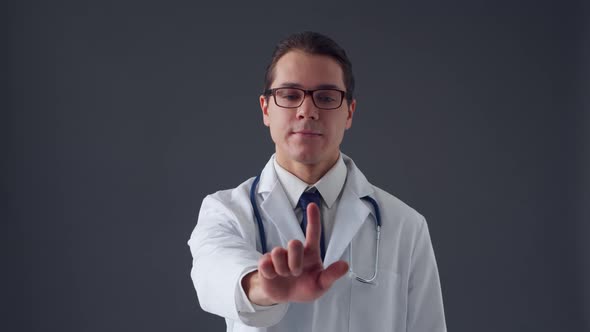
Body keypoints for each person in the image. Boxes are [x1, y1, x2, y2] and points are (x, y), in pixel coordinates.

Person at [188, 31, 447, 332]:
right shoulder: (226, 212)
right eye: (289, 95)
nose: (307, 111)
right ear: (265, 109)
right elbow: (214, 274)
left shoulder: (406, 226)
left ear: (349, 112)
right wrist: (265, 288)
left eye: (325, 97)